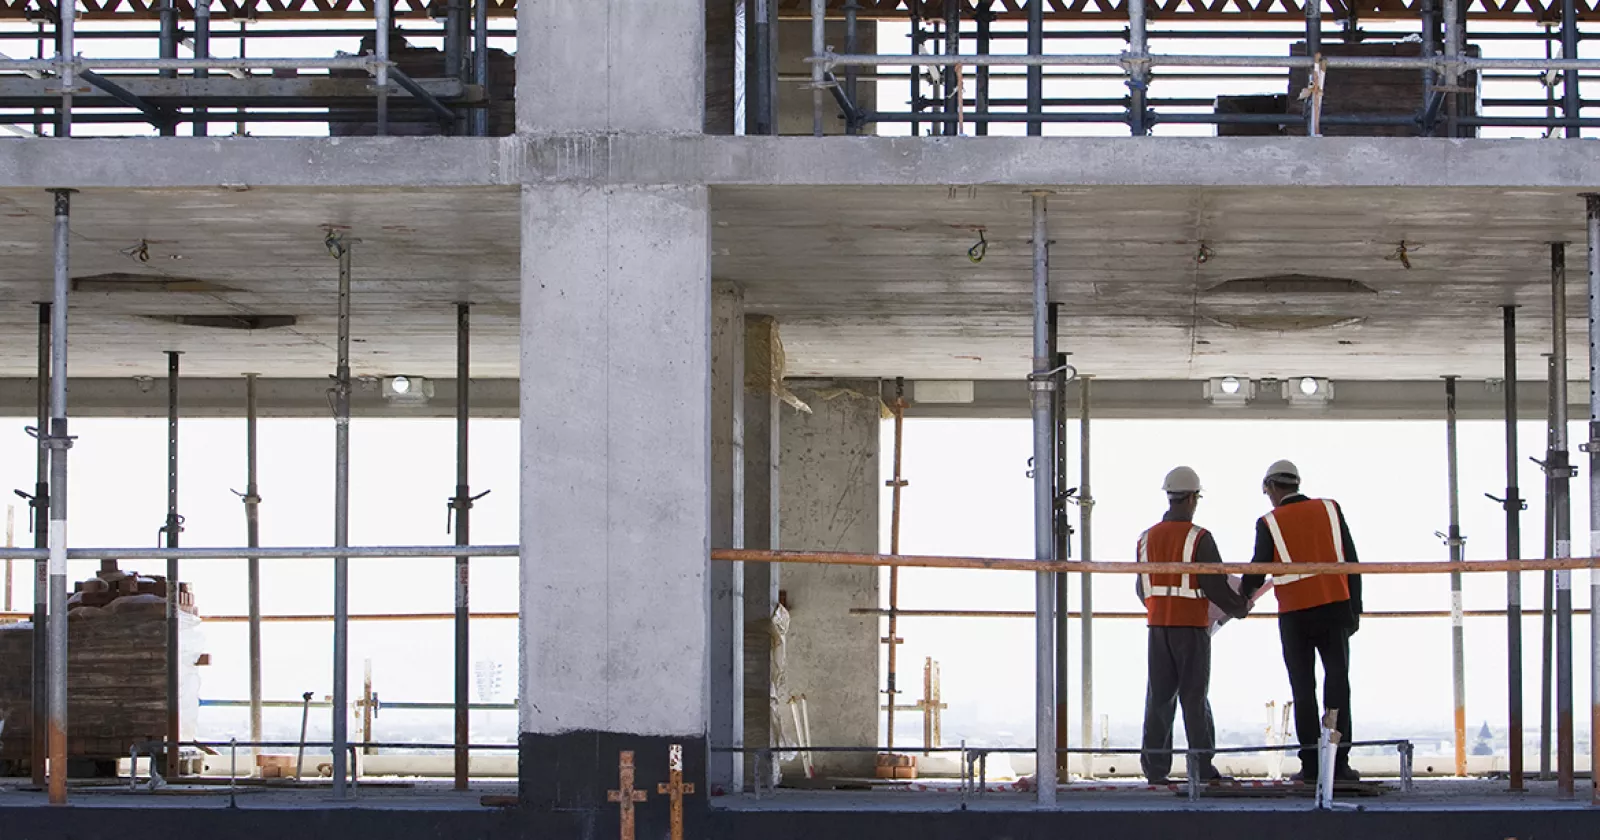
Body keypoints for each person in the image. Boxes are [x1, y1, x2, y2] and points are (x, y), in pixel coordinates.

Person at [1241, 459, 1363, 784]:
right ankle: (1339, 763)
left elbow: (1257, 569)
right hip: (1335, 607)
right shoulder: (1330, 509)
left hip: (1296, 616)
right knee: (1338, 684)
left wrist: (1240, 598)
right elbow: (1352, 560)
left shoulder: (1269, 522)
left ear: (1271, 487)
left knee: (1303, 689)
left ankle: (1311, 765)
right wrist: (1355, 610)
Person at [1136, 466, 1251, 786]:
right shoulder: (1199, 538)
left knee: (1159, 697)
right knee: (1194, 697)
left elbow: (1141, 589)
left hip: (1158, 626)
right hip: (1191, 628)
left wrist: (1162, 609)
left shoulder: (1145, 539)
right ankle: (1200, 766)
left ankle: (1155, 769)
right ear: (1191, 498)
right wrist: (1240, 607)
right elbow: (1215, 587)